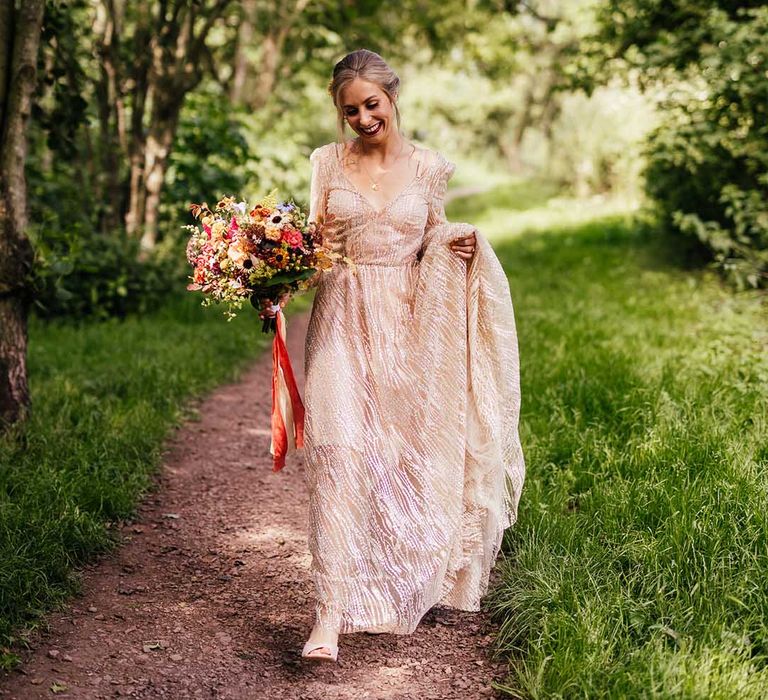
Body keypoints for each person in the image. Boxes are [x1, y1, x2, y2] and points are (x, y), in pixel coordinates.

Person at [260, 48, 525, 663]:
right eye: (349, 110)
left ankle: (402, 576)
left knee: (400, 454)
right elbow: (315, 246)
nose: (361, 118)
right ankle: (328, 613)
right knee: (338, 454)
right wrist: (270, 281)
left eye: (370, 105)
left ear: (392, 97)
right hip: (341, 321)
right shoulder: (326, 164)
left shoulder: (431, 167)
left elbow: (430, 229)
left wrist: (452, 242)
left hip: (408, 324)